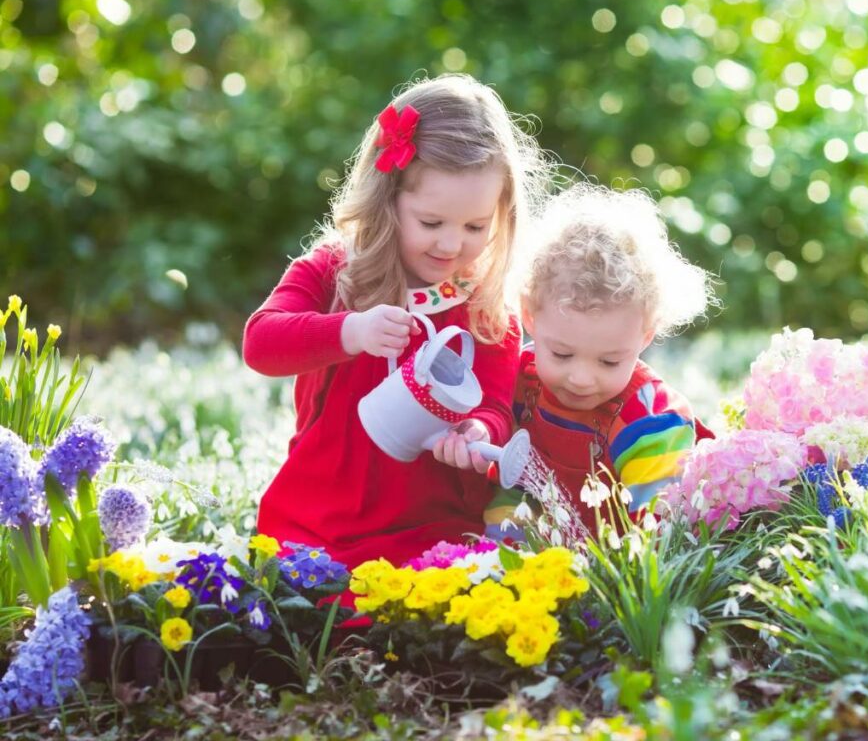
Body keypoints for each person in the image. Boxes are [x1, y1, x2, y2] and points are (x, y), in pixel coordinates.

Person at [243, 74, 550, 577]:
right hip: (322, 515)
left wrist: (479, 429)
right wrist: (350, 332)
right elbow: (261, 343)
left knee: (444, 612)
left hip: (434, 524)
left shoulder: (484, 303)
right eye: (432, 223)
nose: (452, 245)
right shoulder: (335, 272)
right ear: (386, 201)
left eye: (476, 227)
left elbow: (496, 402)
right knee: (311, 606)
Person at [484, 184, 715, 538]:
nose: (580, 378)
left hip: (622, 567)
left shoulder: (650, 418)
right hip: (547, 560)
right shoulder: (519, 380)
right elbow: (516, 483)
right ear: (529, 315)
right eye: (561, 354)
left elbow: (660, 527)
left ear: (646, 334)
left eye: (609, 362)